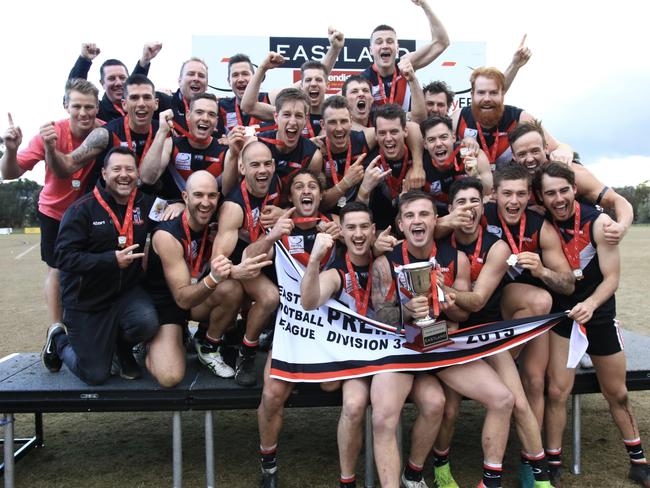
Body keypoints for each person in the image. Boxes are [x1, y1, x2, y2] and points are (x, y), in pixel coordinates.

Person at [371, 191, 516, 488]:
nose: (417, 220)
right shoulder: (385, 262)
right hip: (401, 349)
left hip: (440, 346)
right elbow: (376, 317)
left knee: (503, 399)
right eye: (409, 215)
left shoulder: (456, 258)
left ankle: (489, 481)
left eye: (424, 214)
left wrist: (448, 300)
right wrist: (406, 311)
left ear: (436, 220)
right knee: (388, 415)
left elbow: (461, 316)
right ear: (400, 224)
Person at [534, 162, 650, 488]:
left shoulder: (598, 222)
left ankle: (638, 461)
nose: (558, 198)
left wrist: (591, 304)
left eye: (563, 190)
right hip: (561, 316)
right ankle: (553, 462)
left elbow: (612, 279)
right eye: (550, 193)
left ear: (574, 188)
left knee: (617, 392)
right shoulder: (541, 225)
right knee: (557, 391)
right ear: (541, 198)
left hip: (597, 314)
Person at [436, 178, 553, 488]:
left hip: (486, 332)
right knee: (449, 409)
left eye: (475, 201)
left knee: (518, 400)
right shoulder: (440, 238)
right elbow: (412, 227)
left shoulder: (496, 245)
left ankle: (540, 479)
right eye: (461, 202)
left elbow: (476, 301)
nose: (468, 209)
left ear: (484, 204)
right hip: (448, 334)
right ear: (450, 209)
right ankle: (441, 468)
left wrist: (436, 287)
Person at [250, 170, 342, 488]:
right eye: (299, 187)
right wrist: (272, 236)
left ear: (320, 195)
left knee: (332, 388)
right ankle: (269, 468)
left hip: (330, 331)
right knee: (273, 395)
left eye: (313, 186)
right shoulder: (282, 230)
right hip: (291, 329)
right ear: (291, 197)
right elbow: (248, 260)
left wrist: (343, 237)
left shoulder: (336, 226)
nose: (306, 191)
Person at [41, 147, 158, 385]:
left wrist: (176, 206)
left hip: (125, 294)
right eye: (116, 169)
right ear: (104, 173)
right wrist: (110, 260)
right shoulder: (81, 209)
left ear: (137, 174)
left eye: (129, 169)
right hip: (87, 301)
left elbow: (175, 214)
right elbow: (63, 257)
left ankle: (120, 348)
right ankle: (58, 339)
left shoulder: (145, 204)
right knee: (94, 374)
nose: (123, 175)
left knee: (147, 322)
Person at [1, 79, 102, 347]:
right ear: (66, 106)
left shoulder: (104, 132)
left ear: (97, 108)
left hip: (90, 215)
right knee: (57, 268)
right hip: (55, 212)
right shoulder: (50, 132)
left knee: (92, 270)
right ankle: (57, 329)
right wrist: (11, 150)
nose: (83, 113)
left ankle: (92, 327)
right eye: (77, 106)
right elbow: (9, 173)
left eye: (89, 107)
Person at [484, 163, 575, 427]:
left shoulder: (539, 226)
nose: (514, 201)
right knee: (539, 300)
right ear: (495, 194)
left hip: (530, 314)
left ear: (529, 196)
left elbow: (568, 284)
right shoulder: (482, 215)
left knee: (535, 381)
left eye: (521, 194)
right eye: (507, 194)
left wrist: (543, 271)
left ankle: (530, 460)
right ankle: (502, 360)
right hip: (489, 304)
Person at [144, 171, 244, 386]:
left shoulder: (218, 222)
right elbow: (181, 299)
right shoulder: (167, 235)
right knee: (170, 377)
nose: (206, 203)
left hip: (197, 295)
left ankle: (207, 342)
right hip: (167, 304)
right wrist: (214, 278)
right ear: (185, 197)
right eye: (198, 195)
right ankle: (151, 341)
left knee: (234, 289)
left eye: (211, 196)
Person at [212, 141, 281, 386]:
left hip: (264, 255)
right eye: (255, 165)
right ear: (242, 168)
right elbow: (217, 261)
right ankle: (246, 353)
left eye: (266, 164)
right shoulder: (233, 207)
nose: (262, 170)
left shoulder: (276, 182)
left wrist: (282, 213)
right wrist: (236, 271)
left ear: (273, 166)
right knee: (270, 297)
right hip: (241, 264)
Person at [509, 119, 633, 244]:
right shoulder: (513, 182)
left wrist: (622, 227)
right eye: (522, 154)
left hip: (586, 239)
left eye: (535, 151)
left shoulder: (572, 173)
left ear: (546, 148)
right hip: (551, 245)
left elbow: (617, 200)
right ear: (514, 157)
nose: (530, 159)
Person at [45, 74, 160, 191]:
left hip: (148, 205)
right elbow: (67, 167)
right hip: (108, 205)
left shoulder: (165, 131)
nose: (141, 104)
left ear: (156, 103)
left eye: (146, 97)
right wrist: (50, 150)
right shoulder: (104, 134)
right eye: (134, 98)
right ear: (124, 104)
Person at [451, 67, 573, 169]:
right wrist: (461, 143)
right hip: (474, 191)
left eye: (493, 93)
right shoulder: (459, 117)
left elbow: (559, 147)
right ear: (472, 95)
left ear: (502, 95)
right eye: (481, 92)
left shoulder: (519, 117)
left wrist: (564, 152)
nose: (487, 98)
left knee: (574, 169)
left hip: (513, 192)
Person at [139, 93, 239, 218]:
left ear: (216, 122)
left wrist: (184, 206)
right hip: (172, 219)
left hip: (207, 220)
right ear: (188, 115)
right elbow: (147, 178)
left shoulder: (226, 152)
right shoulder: (171, 144)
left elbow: (227, 198)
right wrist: (162, 131)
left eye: (211, 114)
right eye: (199, 112)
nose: (205, 118)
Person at [240, 27, 345, 138]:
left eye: (319, 80)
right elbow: (248, 107)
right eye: (308, 80)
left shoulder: (335, 114)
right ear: (301, 86)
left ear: (327, 85)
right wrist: (262, 68)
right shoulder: (290, 112)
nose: (313, 84)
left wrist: (335, 48)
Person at [362, 0, 449, 111]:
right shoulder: (362, 79)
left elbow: (441, 42)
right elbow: (335, 103)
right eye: (379, 42)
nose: (384, 45)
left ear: (397, 48)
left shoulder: (406, 65)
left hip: (406, 128)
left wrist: (424, 5)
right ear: (371, 50)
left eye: (389, 41)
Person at [357, 104, 425, 230]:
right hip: (380, 234)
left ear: (405, 131)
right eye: (382, 133)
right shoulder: (368, 164)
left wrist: (417, 165)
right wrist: (364, 189)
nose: (388, 138)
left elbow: (416, 127)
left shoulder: (420, 155)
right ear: (375, 135)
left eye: (394, 132)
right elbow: (356, 213)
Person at [67, 42, 162, 122]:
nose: (118, 83)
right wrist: (84, 60)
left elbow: (134, 84)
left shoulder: (144, 105)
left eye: (122, 78)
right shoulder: (97, 111)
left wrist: (144, 61)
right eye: (112, 78)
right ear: (102, 83)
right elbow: (75, 89)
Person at [420, 115, 493, 215]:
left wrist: (475, 176)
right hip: (439, 218)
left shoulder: (472, 154)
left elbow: (488, 194)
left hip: (470, 212)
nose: (438, 144)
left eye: (443, 137)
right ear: (425, 144)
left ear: (453, 137)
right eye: (432, 140)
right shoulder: (420, 167)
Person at [252, 88, 322, 188]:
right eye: (286, 115)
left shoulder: (313, 157)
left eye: (298, 115)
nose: (292, 122)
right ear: (276, 117)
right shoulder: (258, 144)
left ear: (306, 120)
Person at [217, 54, 271, 136]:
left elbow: (280, 124)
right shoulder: (222, 106)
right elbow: (216, 137)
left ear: (255, 78)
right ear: (229, 81)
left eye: (245, 74)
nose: (241, 79)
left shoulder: (269, 99)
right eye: (235, 75)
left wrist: (257, 128)